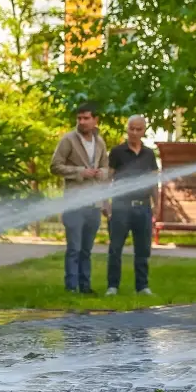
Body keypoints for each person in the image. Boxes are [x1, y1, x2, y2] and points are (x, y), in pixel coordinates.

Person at [50, 103, 109, 294]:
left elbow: (107, 168)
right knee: (74, 248)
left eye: (86, 118)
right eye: (79, 118)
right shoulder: (68, 140)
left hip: (94, 204)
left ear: (95, 120)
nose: (82, 121)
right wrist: (80, 172)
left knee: (86, 250)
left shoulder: (100, 142)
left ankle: (85, 286)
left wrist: (102, 173)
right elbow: (54, 166)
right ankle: (71, 288)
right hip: (74, 203)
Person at [105, 115, 158, 296]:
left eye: (138, 129)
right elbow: (108, 179)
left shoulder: (149, 154)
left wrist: (157, 206)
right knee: (115, 248)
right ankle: (112, 286)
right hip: (120, 206)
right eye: (131, 129)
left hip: (143, 207)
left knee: (143, 249)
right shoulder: (117, 152)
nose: (134, 132)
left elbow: (154, 182)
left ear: (144, 131)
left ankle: (142, 287)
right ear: (126, 129)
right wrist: (106, 203)